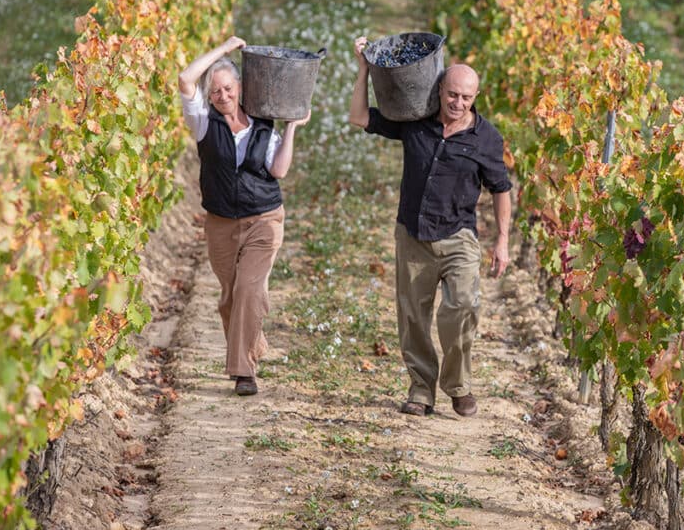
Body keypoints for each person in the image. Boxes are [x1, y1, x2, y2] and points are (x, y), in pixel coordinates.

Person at [348, 35, 512, 417]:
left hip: (458, 237)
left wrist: (502, 240)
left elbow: (501, 189)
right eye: (452, 94)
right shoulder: (414, 121)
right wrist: (363, 70)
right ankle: (421, 390)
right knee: (413, 317)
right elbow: (360, 117)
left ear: (475, 98)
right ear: (440, 89)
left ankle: (458, 386)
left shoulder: (486, 138)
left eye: (466, 98)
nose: (458, 103)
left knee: (462, 306)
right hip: (413, 235)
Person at [178, 36, 310, 396]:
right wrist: (223, 49)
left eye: (228, 87)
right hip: (220, 222)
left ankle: (243, 373)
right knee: (230, 297)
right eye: (216, 90)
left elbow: (279, 170)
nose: (222, 95)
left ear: (240, 88)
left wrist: (293, 128)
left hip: (264, 218)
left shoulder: (263, 125)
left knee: (250, 289)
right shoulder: (203, 123)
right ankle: (252, 346)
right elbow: (186, 79)